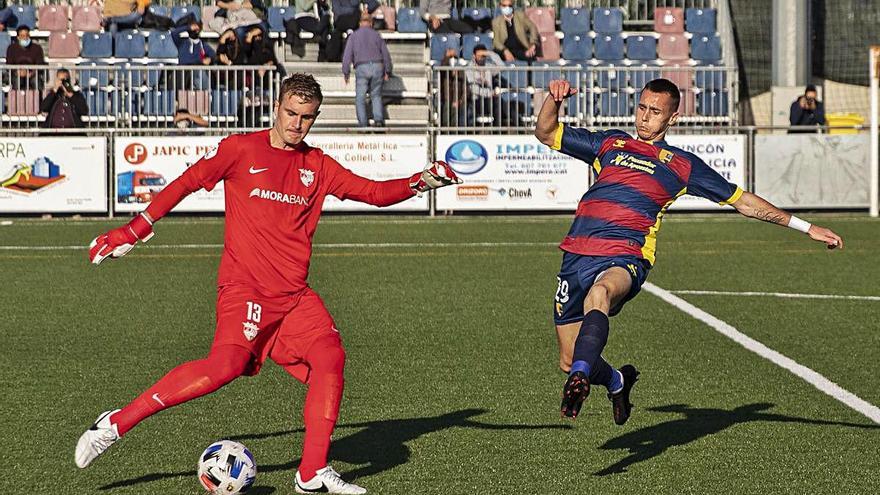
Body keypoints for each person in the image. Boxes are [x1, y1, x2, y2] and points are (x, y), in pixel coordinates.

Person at [74, 73, 462, 495]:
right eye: (291, 113)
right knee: (225, 367)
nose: (297, 124)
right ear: (276, 107)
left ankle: (311, 473)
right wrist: (134, 229)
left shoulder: (318, 166)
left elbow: (373, 192)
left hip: (294, 297)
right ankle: (114, 424)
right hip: (247, 290)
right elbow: (187, 182)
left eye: (307, 118)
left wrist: (420, 181)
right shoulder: (240, 149)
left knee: (331, 358)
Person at [534, 78, 844, 423]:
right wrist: (554, 98)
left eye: (655, 111)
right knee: (567, 357)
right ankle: (616, 380)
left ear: (672, 118)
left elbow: (743, 201)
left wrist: (807, 227)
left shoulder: (682, 166)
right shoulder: (610, 143)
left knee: (601, 295)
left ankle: (580, 377)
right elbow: (547, 132)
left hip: (625, 256)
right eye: (641, 108)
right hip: (576, 255)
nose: (645, 117)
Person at [341, 12, 392, 127]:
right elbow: (385, 54)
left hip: (362, 67)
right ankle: (378, 120)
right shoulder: (376, 35)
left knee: (360, 98)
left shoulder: (354, 36)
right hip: (377, 66)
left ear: (360, 23)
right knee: (376, 95)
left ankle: (363, 124)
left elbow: (347, 55)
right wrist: (387, 71)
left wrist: (346, 72)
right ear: (371, 23)